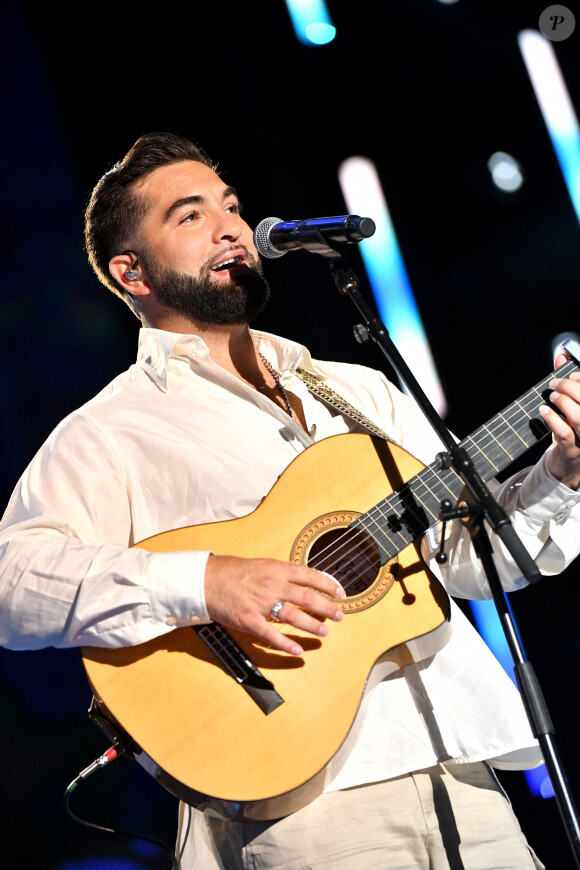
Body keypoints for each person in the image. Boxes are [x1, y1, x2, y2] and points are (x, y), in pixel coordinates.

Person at [1, 132, 580, 870]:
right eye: (190, 216)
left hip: (459, 766)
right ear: (131, 270)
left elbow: (473, 560)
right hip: (302, 807)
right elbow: (12, 582)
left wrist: (562, 472)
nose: (231, 227)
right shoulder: (112, 429)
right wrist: (207, 583)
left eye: (233, 206)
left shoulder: (357, 390)